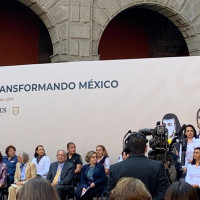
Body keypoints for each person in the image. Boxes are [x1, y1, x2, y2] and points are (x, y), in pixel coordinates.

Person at [106, 132, 169, 200]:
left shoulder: (114, 168)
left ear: (127, 148)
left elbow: (109, 196)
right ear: (146, 148)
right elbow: (163, 194)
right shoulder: (157, 166)